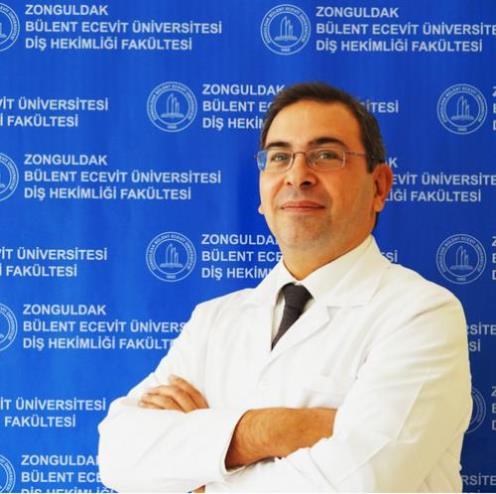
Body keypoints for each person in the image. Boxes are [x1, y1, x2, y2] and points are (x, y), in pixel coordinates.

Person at [98, 82, 472, 492]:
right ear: (262, 191)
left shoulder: (422, 314)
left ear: (379, 186)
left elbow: (358, 484)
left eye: (326, 155)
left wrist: (203, 474)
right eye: (279, 157)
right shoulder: (214, 320)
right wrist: (278, 429)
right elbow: (117, 456)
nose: (297, 175)